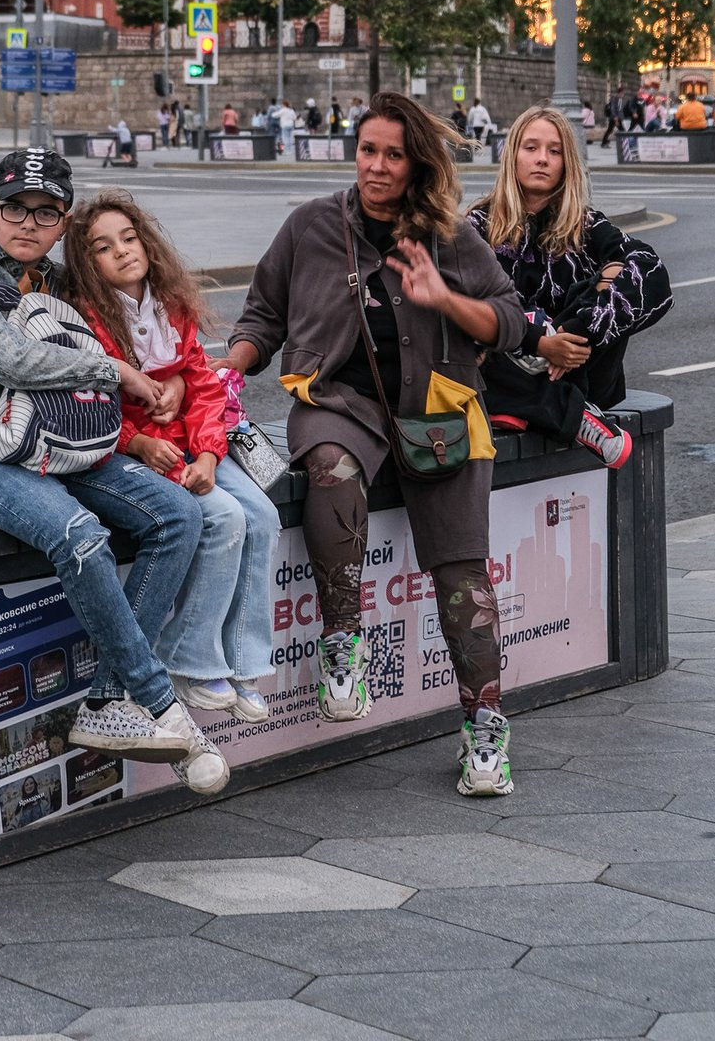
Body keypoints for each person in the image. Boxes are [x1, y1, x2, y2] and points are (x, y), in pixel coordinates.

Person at [221, 90, 527, 798]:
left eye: (393, 154)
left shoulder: (449, 235)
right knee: (330, 468)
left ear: (417, 163)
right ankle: (343, 646)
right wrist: (230, 364)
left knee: (464, 578)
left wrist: (443, 299)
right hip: (340, 403)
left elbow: (509, 319)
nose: (377, 166)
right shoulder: (311, 227)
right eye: (368, 150)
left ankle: (485, 732)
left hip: (439, 413)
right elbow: (263, 313)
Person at [0, 147, 227, 794]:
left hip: (54, 448)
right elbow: (16, 363)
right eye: (14, 208)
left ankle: (107, 700)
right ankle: (162, 706)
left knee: (179, 514)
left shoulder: (52, 280)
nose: (28, 223)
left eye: (46, 212)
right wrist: (116, 372)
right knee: (80, 535)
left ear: (62, 222)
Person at [65, 191, 279, 724]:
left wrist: (208, 455)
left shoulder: (171, 305)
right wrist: (136, 443)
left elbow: (206, 388)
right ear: (87, 264)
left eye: (129, 238)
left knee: (264, 515)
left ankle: (245, 661)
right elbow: (88, 408)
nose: (122, 252)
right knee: (225, 519)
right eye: (102, 248)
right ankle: (190, 655)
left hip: (195, 444)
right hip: (147, 452)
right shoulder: (88, 321)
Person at [469, 106, 673, 461]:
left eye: (554, 150)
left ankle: (532, 405)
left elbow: (653, 273)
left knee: (611, 278)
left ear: (566, 163)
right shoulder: (479, 224)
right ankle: (575, 416)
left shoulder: (587, 224)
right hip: (510, 362)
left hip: (580, 368)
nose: (542, 160)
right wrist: (543, 341)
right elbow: (472, 301)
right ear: (512, 154)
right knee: (472, 319)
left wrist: (578, 328)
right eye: (531, 148)